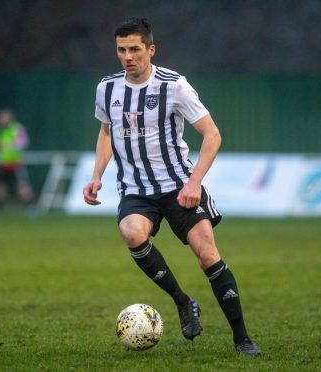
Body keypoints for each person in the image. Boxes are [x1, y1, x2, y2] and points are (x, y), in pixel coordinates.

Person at [82, 18, 260, 356]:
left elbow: (213, 135)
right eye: (121, 50)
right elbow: (106, 133)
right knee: (132, 232)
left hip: (179, 186)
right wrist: (96, 176)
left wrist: (195, 183)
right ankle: (182, 301)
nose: (127, 56)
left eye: (134, 49)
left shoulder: (174, 85)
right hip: (135, 188)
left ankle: (242, 338)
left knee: (207, 254)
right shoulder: (107, 88)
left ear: (151, 49)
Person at [0, 108, 35, 216]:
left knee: (22, 187)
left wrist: (15, 145)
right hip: (4, 164)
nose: (1, 120)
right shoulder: (0, 131)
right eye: (0, 118)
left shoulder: (16, 128)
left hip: (15, 164)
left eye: (4, 117)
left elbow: (24, 142)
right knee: (0, 188)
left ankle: (30, 207)